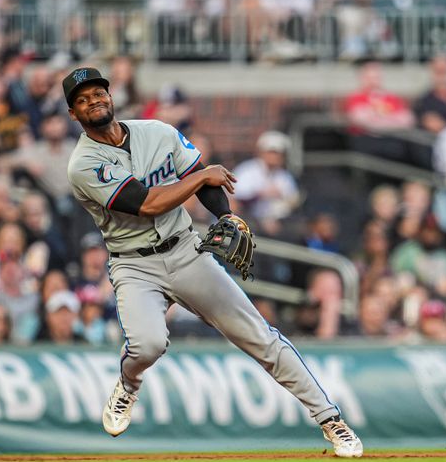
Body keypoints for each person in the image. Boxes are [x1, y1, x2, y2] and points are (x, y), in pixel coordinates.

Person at [61, 67, 362, 457]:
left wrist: (223, 215)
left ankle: (331, 421)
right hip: (135, 264)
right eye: (82, 100)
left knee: (260, 338)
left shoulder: (158, 132)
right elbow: (146, 204)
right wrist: (202, 177)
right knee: (148, 346)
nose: (94, 101)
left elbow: (201, 181)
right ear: (74, 114)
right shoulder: (82, 164)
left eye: (98, 93)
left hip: (186, 250)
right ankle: (128, 385)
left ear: (110, 96)